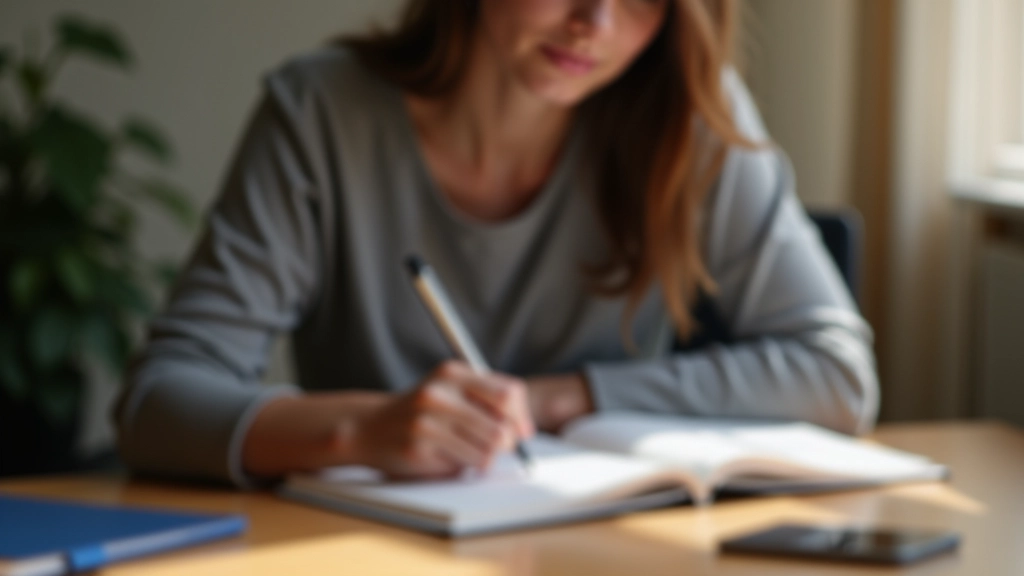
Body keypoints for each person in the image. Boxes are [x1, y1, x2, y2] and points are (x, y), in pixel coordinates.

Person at [115, 0, 878, 487]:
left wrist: (557, 400)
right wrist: (363, 430)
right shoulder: (322, 115)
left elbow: (837, 375)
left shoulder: (688, 124)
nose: (596, 21)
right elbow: (159, 401)